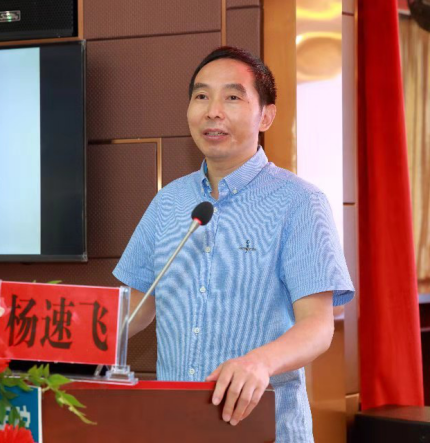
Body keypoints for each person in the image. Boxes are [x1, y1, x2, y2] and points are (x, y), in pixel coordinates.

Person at [113, 46, 354, 442]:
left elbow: (317, 327)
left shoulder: (299, 202)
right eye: (201, 96)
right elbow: (135, 310)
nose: (213, 111)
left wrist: (259, 363)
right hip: (176, 429)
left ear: (266, 115)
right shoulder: (169, 201)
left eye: (232, 97)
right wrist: (62, 342)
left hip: (265, 431)